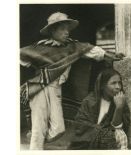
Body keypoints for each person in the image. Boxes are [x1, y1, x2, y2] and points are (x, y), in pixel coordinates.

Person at [20, 12, 124, 150]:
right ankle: (35, 143)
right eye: (62, 29)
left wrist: (111, 55)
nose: (67, 32)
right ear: (53, 31)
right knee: (40, 126)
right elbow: (20, 56)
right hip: (39, 87)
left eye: (67, 29)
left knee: (58, 129)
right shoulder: (40, 47)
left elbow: (92, 50)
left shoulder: (73, 47)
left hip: (56, 88)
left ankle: (34, 134)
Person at [68, 69, 130, 150]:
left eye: (119, 83)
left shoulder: (120, 102)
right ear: (102, 86)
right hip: (86, 142)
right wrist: (101, 132)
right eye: (113, 83)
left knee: (121, 136)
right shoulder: (89, 101)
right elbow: (81, 126)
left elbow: (116, 128)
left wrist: (119, 108)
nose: (118, 87)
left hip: (108, 139)